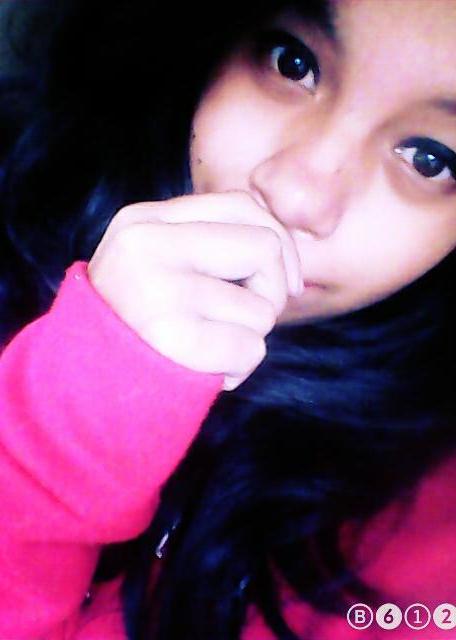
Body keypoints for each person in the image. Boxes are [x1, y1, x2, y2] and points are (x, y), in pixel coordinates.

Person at [0, 0, 455, 638]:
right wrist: (63, 421)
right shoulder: (22, 182)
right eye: (291, 63)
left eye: (429, 158)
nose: (296, 195)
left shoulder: (426, 544)